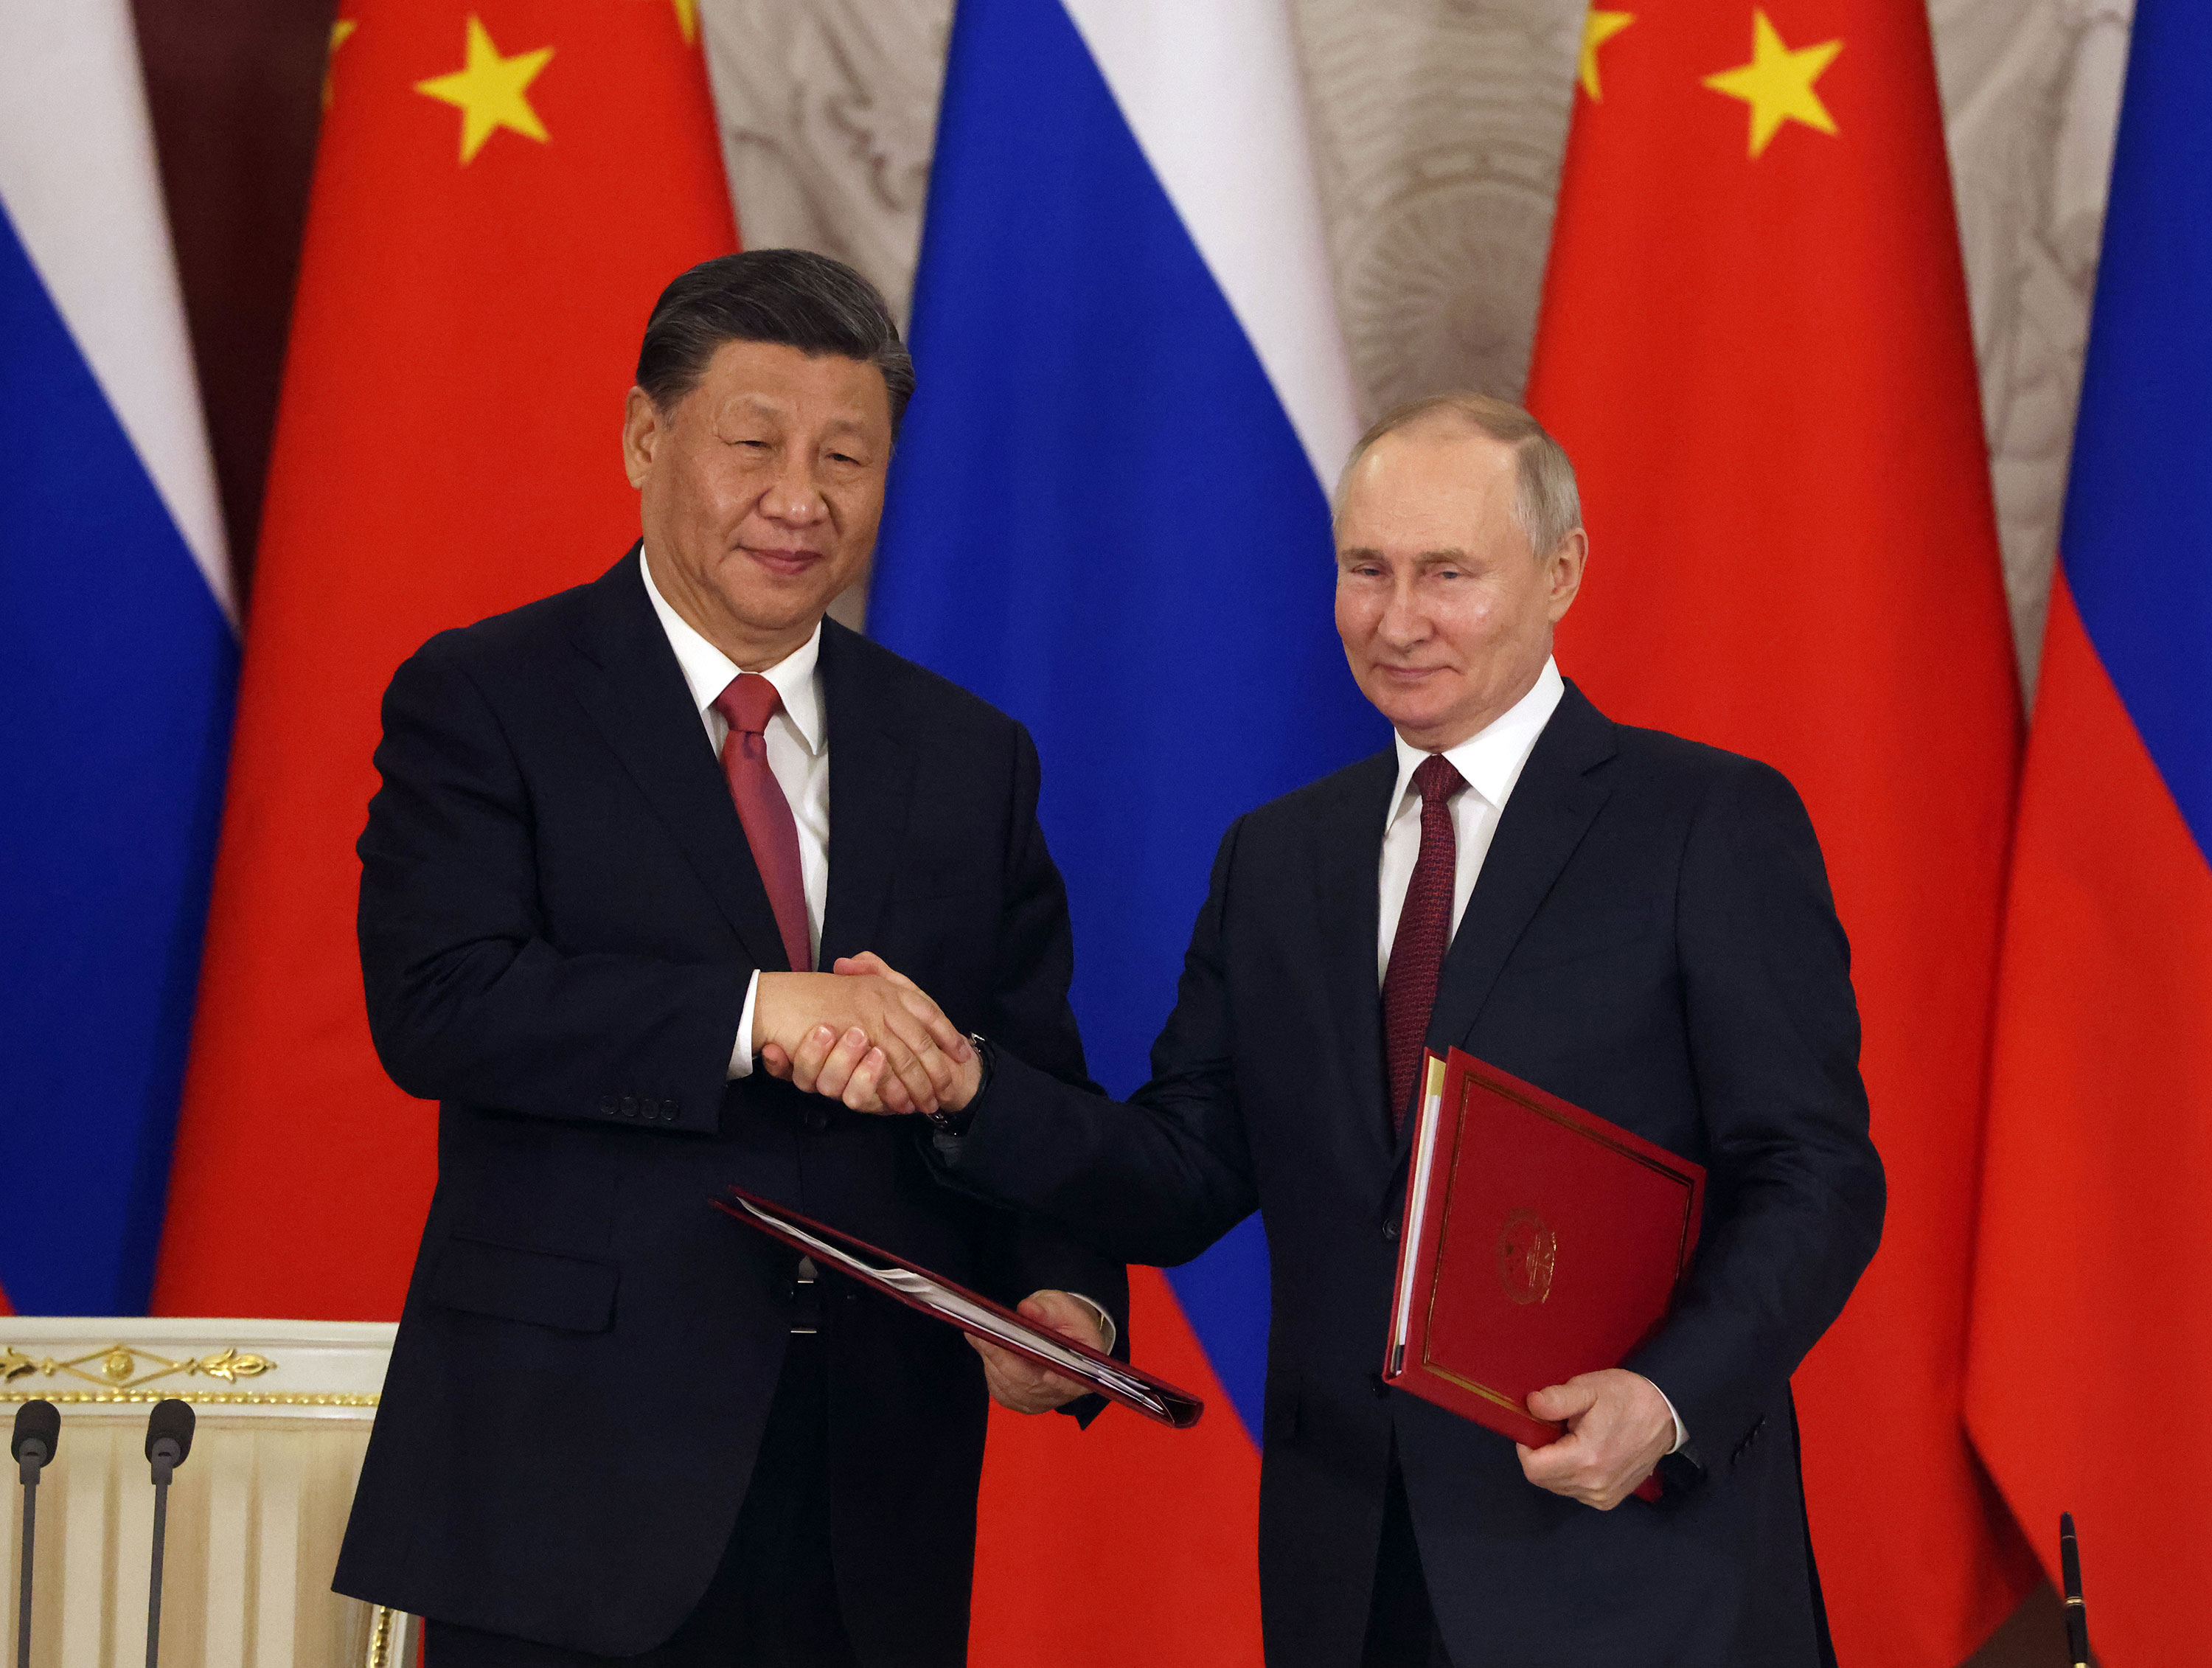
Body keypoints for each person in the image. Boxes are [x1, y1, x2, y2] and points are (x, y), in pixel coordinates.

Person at [775, 395, 1885, 1667]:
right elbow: (1186, 1171)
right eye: (1367, 569)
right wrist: (971, 1087)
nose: (1396, 618)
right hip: (1350, 1575)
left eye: (1447, 573)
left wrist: (1671, 1398)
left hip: (1632, 1568)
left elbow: (1817, 1176)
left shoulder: (1709, 823)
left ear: (1561, 571)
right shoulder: (1280, 855)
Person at [333, 249, 1127, 1668]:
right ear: (649, 437)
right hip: (570, 1483)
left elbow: (1027, 1078)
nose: (799, 499)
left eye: (846, 456)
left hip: (870, 1488)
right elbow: (439, 1003)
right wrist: (761, 1012)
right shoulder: (486, 696)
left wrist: (1063, 1292)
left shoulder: (967, 755)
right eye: (754, 444)